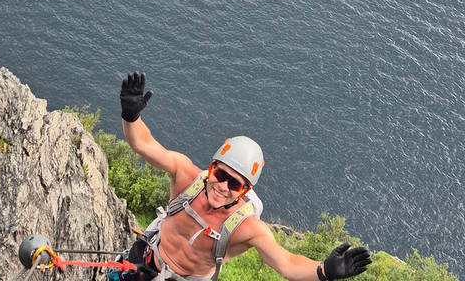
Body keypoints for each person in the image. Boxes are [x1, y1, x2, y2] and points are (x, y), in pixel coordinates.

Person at [116, 72, 371, 281]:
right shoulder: (186, 177)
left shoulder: (247, 228)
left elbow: (286, 263)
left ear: (245, 190)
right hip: (144, 259)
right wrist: (132, 116)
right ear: (211, 167)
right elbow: (145, 144)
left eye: (235, 183)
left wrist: (324, 270)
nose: (222, 186)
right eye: (220, 173)